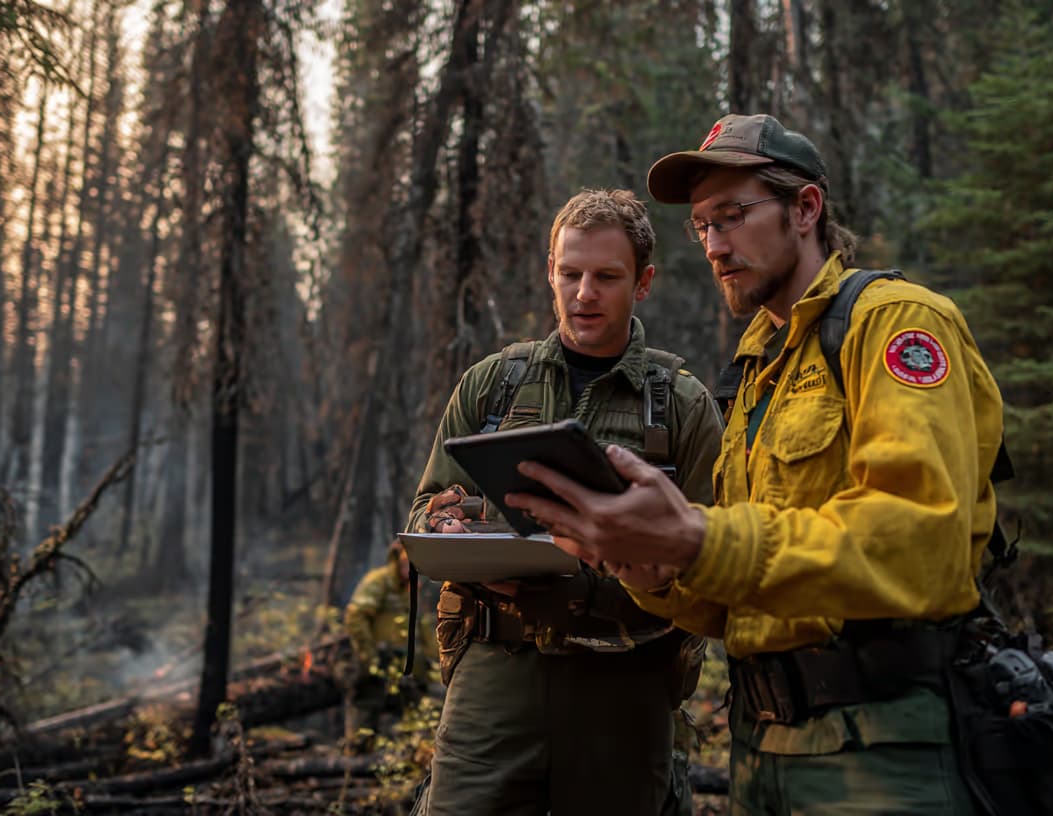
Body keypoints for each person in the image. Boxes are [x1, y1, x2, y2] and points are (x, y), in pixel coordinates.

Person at [506, 114, 1006, 814]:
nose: (715, 245)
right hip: (762, 749)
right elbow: (736, 596)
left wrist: (700, 538)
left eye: (733, 217)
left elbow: (922, 543)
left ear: (806, 209)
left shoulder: (892, 325)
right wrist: (650, 569)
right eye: (703, 226)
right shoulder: (755, 372)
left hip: (882, 747)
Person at [407, 188, 724, 815]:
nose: (584, 293)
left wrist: (592, 587)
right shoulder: (494, 385)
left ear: (644, 282)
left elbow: (713, 562)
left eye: (607, 277)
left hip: (625, 685)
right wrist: (452, 527)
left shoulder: (681, 406)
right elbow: (425, 514)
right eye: (570, 273)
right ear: (549, 271)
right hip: (495, 675)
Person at [339, 538, 436, 754]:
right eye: (406, 563)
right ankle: (354, 766)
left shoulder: (412, 588)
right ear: (397, 560)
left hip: (404, 666)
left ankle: (407, 762)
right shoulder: (379, 581)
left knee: (413, 714)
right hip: (378, 660)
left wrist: (432, 660)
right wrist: (369, 656)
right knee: (366, 710)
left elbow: (422, 624)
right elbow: (356, 616)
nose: (410, 569)